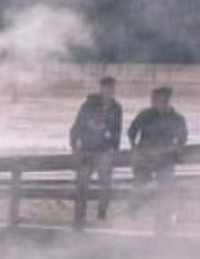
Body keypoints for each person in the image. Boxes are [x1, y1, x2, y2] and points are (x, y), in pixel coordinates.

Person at [127, 86, 188, 233]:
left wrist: (176, 148)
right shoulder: (146, 115)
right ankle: (135, 212)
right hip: (146, 157)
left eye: (158, 98)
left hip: (165, 159)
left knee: (166, 188)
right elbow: (131, 131)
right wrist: (134, 148)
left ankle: (163, 220)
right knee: (140, 185)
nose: (155, 101)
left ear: (166, 99)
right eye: (154, 99)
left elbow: (182, 138)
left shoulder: (176, 118)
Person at [70, 76, 124, 229]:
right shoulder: (89, 105)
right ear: (101, 88)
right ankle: (80, 217)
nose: (109, 91)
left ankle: (101, 216)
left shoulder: (116, 108)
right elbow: (77, 125)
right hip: (87, 148)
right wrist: (75, 146)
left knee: (105, 184)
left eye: (112, 89)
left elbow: (117, 130)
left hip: (104, 149)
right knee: (82, 184)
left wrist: (115, 148)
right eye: (106, 88)